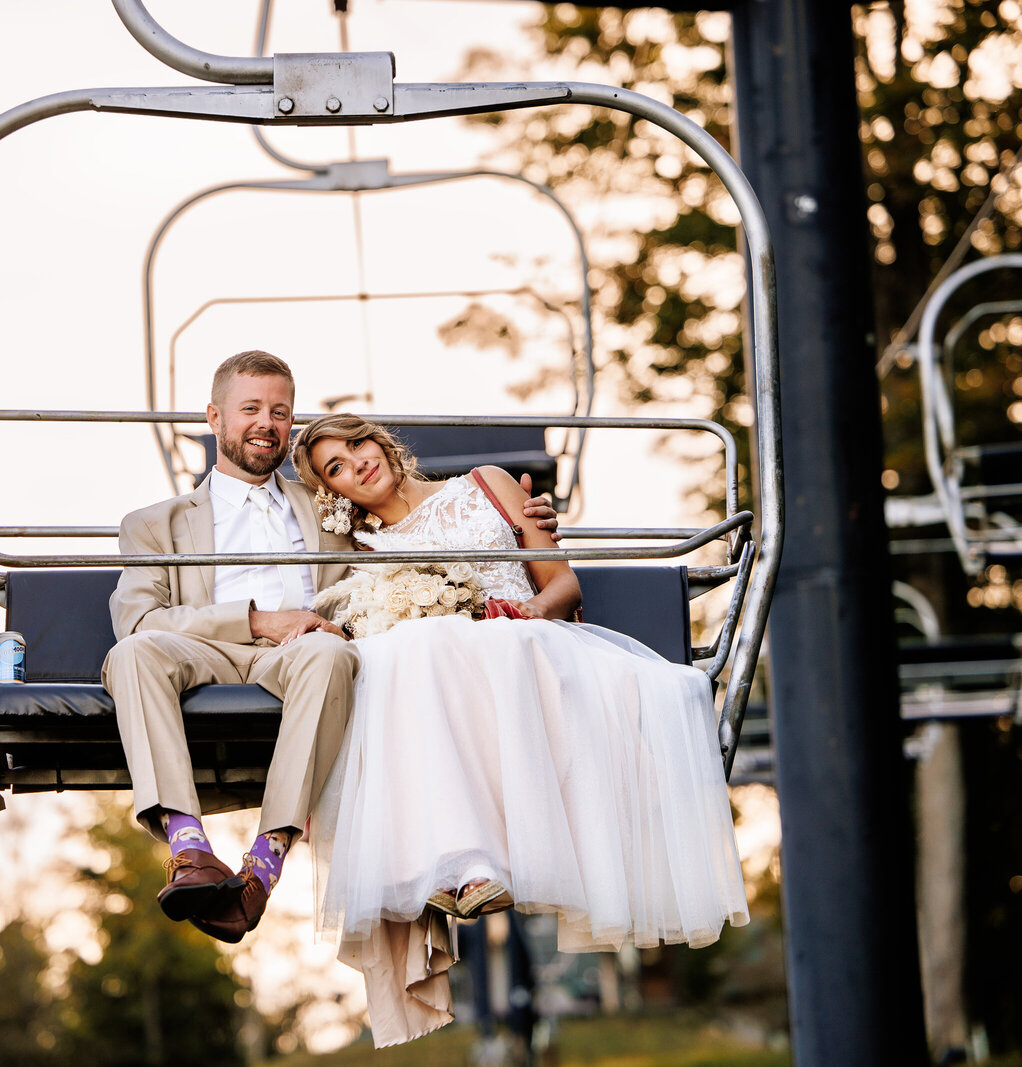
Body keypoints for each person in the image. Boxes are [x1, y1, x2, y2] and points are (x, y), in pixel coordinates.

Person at [291, 413, 749, 1046]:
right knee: (410, 651)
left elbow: (562, 584)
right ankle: (467, 866)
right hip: (444, 671)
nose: (357, 462)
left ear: (381, 441)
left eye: (357, 444)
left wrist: (525, 609)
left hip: (528, 638)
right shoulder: (362, 556)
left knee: (447, 647)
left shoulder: (491, 483)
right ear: (333, 494)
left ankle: (474, 855)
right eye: (335, 467)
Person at [103, 352, 561, 946]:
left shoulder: (327, 511)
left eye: (279, 412)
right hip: (203, 650)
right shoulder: (155, 523)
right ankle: (190, 850)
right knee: (134, 654)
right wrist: (257, 620)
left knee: (330, 657)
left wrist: (522, 523)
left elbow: (418, 531)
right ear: (214, 417)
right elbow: (139, 619)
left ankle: (264, 865)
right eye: (250, 409)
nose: (266, 423)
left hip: (298, 656)